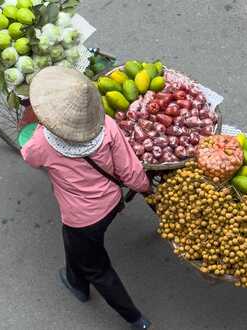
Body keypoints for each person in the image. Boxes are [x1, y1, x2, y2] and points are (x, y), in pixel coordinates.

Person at [21, 66, 152, 329]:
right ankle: (75, 282)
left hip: (82, 218)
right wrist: (147, 190)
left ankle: (135, 318)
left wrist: (28, 121)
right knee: (75, 245)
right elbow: (131, 172)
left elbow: (29, 157)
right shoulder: (108, 126)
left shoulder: (42, 143)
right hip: (112, 204)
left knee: (97, 269)